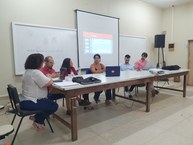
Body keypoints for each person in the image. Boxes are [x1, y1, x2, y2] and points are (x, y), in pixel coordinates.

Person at [19, 53, 58, 130]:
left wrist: (48, 77)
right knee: (54, 106)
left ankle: (36, 118)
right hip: (30, 102)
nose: (42, 63)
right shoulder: (35, 72)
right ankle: (38, 121)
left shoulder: (27, 71)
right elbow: (49, 83)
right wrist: (49, 76)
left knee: (48, 102)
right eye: (42, 62)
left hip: (25, 100)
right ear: (37, 62)